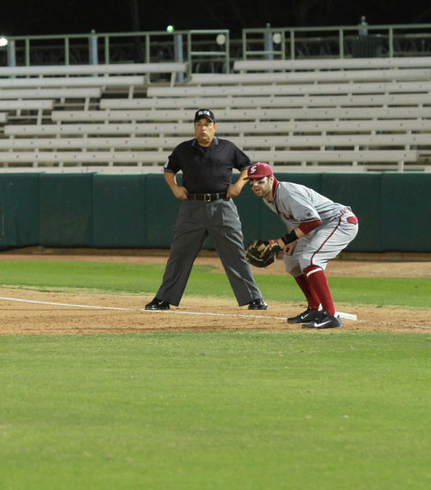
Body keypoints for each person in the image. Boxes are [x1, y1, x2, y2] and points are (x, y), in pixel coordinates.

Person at [145, 109, 268, 312]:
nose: (203, 128)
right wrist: (175, 188)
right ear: (195, 127)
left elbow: (247, 166)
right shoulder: (184, 149)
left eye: (207, 124)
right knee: (179, 254)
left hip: (222, 206)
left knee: (235, 253)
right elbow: (169, 170)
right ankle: (163, 299)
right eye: (199, 124)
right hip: (192, 208)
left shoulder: (228, 148)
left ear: (214, 127)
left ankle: (254, 298)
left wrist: (238, 186)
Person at [246, 161, 359, 329]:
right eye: (252, 181)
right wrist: (292, 240)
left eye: (260, 180)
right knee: (292, 261)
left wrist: (282, 241)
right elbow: (292, 218)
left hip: (338, 222)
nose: (255, 185)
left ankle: (331, 315)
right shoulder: (268, 197)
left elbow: (313, 220)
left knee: (310, 259)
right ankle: (314, 308)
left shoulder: (287, 193)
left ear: (271, 179)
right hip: (316, 227)